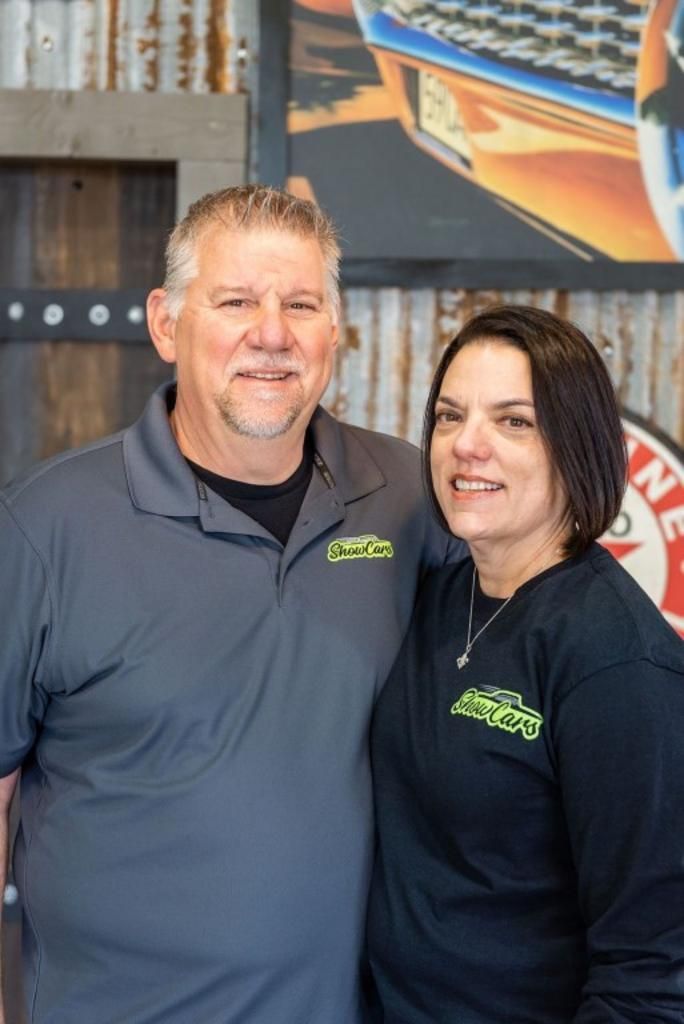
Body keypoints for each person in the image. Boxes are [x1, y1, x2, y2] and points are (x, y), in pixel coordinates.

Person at [0, 185, 460, 1024]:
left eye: (300, 303)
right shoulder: (40, 527)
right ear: (167, 322)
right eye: (237, 301)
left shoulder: (410, 500)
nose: (272, 334)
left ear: (334, 329)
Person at [368, 304, 684, 1023]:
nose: (466, 446)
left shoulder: (619, 662)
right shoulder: (436, 597)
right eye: (449, 417)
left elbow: (649, 973)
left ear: (578, 447)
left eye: (513, 421)